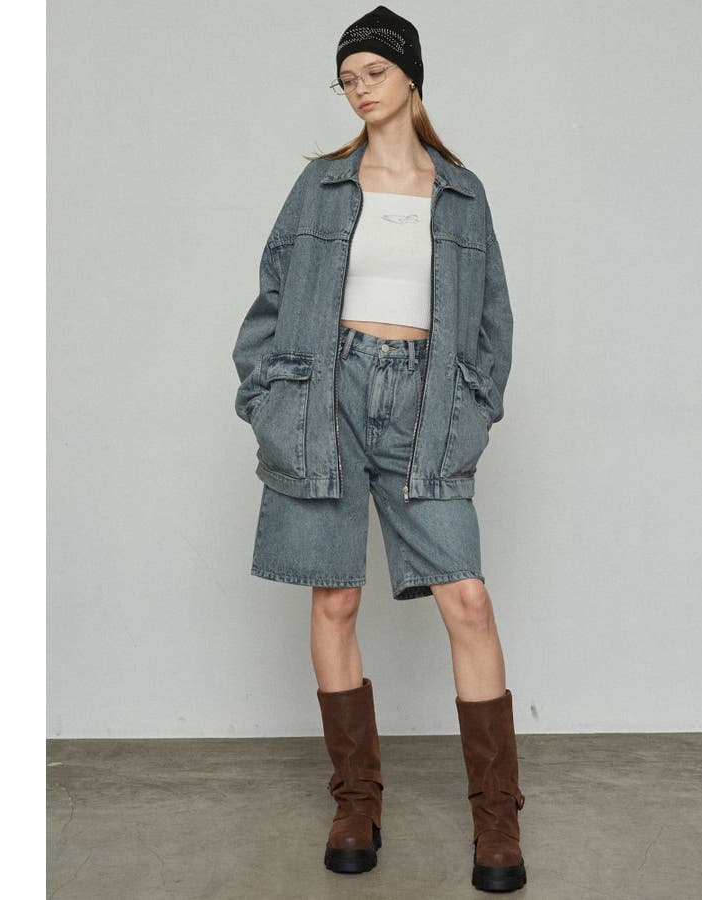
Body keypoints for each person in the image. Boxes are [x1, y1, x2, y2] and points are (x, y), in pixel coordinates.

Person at [232, 5, 525, 893]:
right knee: (335, 600)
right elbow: (270, 299)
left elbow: (492, 322)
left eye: (374, 72)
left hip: (427, 403)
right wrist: (266, 400)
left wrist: (472, 410)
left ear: (411, 77)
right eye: (347, 78)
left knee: (467, 601)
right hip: (324, 394)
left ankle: (497, 820)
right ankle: (356, 803)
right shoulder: (319, 185)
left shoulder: (462, 193)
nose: (360, 88)